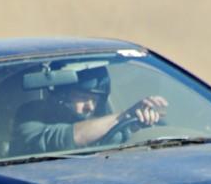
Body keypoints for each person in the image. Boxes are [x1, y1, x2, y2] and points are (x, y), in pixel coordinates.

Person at [10, 65, 168, 156]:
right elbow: (63, 139)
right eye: (83, 98)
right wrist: (124, 116)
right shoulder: (32, 113)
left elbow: (119, 141)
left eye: (95, 100)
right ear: (61, 95)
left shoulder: (101, 117)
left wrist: (136, 126)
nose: (90, 106)